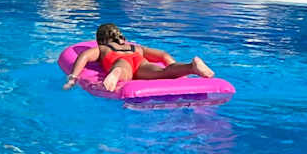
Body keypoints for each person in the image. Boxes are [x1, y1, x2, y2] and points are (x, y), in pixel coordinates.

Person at [61, 22, 213, 93]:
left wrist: (73, 77)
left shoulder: (103, 48)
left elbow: (84, 56)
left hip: (119, 61)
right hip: (138, 60)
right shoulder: (136, 47)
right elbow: (163, 55)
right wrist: (177, 71)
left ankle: (117, 73)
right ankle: (190, 67)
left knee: (122, 69)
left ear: (100, 40)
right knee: (163, 72)